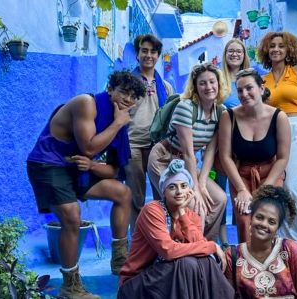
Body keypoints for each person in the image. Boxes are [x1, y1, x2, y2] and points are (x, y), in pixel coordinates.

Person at [27, 71, 146, 299]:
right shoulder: (87, 104)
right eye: (123, 92)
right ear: (110, 89)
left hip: (77, 168)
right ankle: (70, 286)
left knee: (122, 193)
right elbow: (90, 147)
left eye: (133, 96)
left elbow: (114, 170)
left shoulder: (118, 121)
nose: (128, 100)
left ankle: (120, 260)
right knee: (72, 215)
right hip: (48, 163)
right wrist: (119, 123)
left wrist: (92, 166)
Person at [118, 159, 234, 299]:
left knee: (203, 261)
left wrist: (182, 213)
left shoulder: (192, 217)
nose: (179, 192)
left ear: (190, 190)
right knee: (187, 264)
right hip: (138, 284)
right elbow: (168, 250)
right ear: (164, 191)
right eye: (172, 187)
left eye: (184, 186)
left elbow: (199, 246)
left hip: (167, 279)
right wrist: (213, 246)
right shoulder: (153, 210)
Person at [147, 62, 228, 242]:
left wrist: (203, 184)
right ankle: (183, 248)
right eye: (202, 83)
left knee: (220, 199)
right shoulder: (186, 107)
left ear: (219, 84)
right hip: (164, 158)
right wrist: (196, 189)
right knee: (189, 201)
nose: (208, 87)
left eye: (212, 82)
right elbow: (190, 153)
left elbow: (209, 152)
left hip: (185, 163)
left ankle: (204, 245)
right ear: (195, 87)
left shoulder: (221, 112)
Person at [258, 32, 297, 241]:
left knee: (296, 188)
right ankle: (289, 241)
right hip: (274, 132)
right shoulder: (263, 80)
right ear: (267, 50)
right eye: (272, 46)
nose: (276, 49)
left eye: (281, 46)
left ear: (288, 50)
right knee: (281, 188)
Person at [218, 68, 290, 243]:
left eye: (249, 88)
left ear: (261, 89)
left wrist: (265, 188)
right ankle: (246, 265)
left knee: (266, 218)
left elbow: (282, 158)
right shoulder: (229, 116)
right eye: (240, 90)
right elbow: (225, 156)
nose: (244, 94)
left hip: (271, 174)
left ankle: (270, 261)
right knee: (244, 218)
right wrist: (242, 190)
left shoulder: (279, 117)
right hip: (241, 175)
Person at [225, 185, 297, 299]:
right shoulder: (232, 256)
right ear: (251, 218)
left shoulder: (291, 250)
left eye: (271, 222)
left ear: (278, 227)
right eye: (260, 217)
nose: (264, 224)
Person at [126, 34, 174, 233]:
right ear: (137, 54)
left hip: (157, 147)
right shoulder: (127, 82)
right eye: (144, 50)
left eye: (153, 51)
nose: (148, 55)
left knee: (162, 196)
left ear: (158, 55)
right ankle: (137, 243)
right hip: (132, 144)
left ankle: (159, 239)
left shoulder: (166, 87)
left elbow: (171, 117)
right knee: (135, 197)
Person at [217, 38, 251, 248]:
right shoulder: (219, 78)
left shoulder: (251, 77)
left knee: (242, 190)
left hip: (246, 144)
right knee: (220, 191)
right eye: (231, 51)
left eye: (239, 51)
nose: (235, 54)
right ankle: (223, 241)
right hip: (222, 143)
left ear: (244, 54)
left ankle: (243, 238)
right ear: (225, 54)